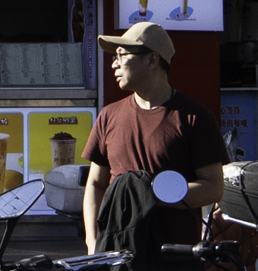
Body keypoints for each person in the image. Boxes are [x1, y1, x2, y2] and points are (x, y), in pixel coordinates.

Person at [81, 21, 229, 253]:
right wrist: (93, 241)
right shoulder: (109, 116)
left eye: (122, 55)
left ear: (151, 60)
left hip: (175, 258)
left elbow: (212, 188)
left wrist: (148, 195)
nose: (114, 64)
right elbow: (95, 183)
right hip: (118, 258)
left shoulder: (195, 117)